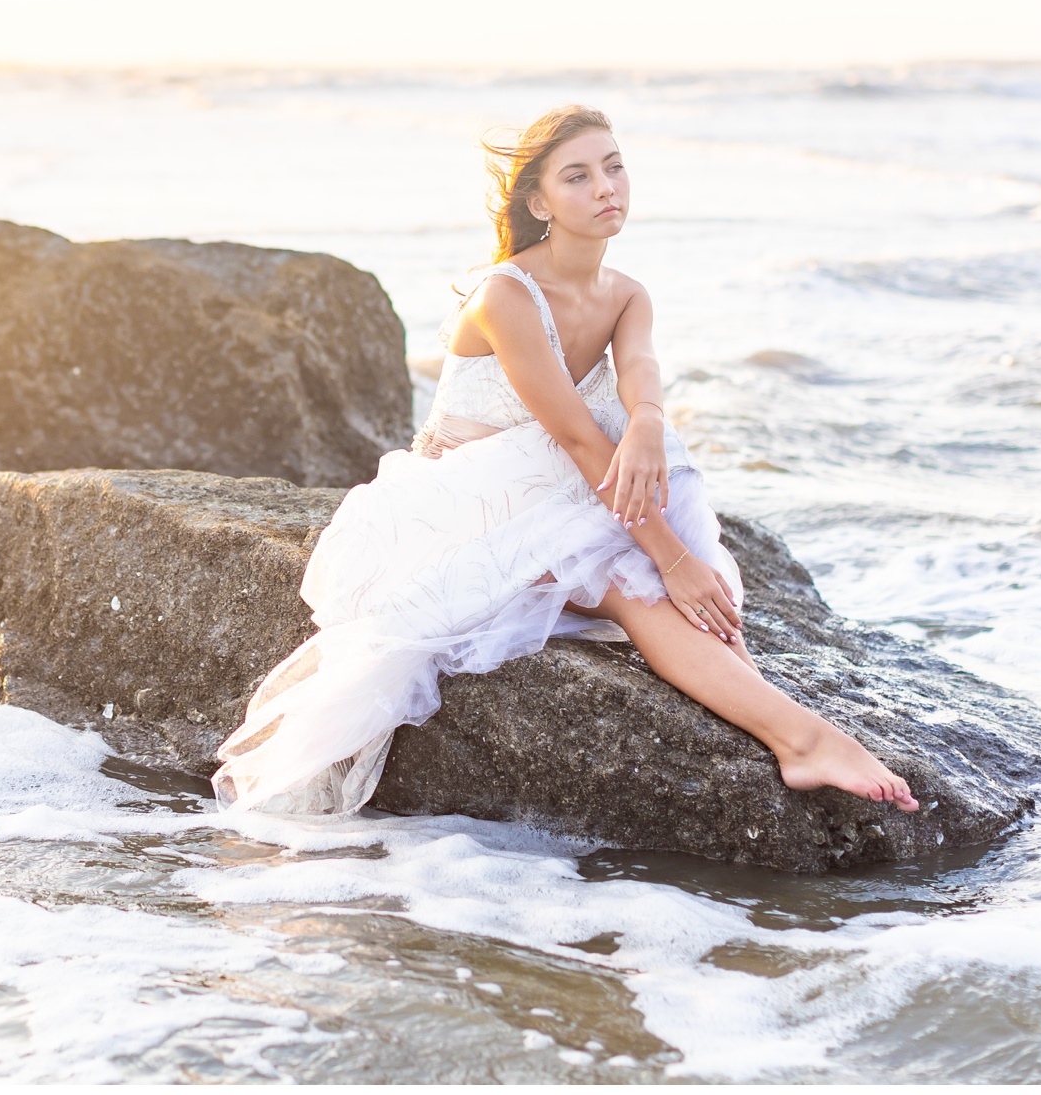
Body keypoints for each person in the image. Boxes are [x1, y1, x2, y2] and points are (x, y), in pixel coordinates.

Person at [212, 105, 919, 816]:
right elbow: (578, 441)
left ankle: (788, 729)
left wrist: (646, 421)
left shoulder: (626, 294)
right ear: (539, 202)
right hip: (454, 513)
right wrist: (676, 559)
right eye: (578, 176)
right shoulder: (505, 295)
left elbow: (639, 367)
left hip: (550, 487)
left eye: (614, 166)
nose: (607, 186)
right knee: (632, 569)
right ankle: (800, 740)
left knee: (650, 479)